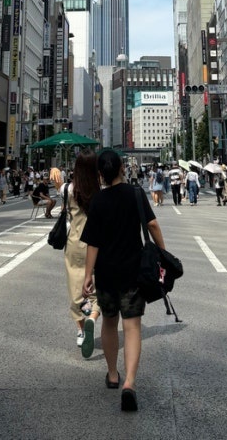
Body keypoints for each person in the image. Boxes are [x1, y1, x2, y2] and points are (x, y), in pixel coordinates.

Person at [81, 148, 167, 413]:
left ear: (101, 174)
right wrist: (162, 253)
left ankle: (112, 374)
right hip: (133, 271)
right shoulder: (136, 194)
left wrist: (87, 276)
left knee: (109, 323)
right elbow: (152, 225)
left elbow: (92, 243)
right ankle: (130, 382)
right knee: (132, 327)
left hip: (106, 273)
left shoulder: (97, 201)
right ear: (121, 168)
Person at [60, 153, 101, 356]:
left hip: (75, 242)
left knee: (76, 287)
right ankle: (93, 315)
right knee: (98, 285)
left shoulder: (68, 189)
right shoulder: (100, 190)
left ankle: (81, 330)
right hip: (98, 243)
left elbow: (64, 210)